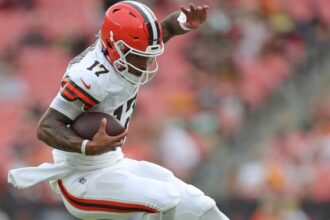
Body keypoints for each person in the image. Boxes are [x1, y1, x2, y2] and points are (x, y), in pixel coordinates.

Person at [8, 1, 229, 220]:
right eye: (138, 54)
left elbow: (168, 28)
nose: (145, 62)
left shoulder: (131, 50)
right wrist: (87, 146)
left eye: (147, 53)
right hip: (80, 178)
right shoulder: (90, 77)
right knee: (165, 198)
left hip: (113, 163)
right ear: (116, 46)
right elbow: (46, 127)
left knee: (199, 204)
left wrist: (186, 22)